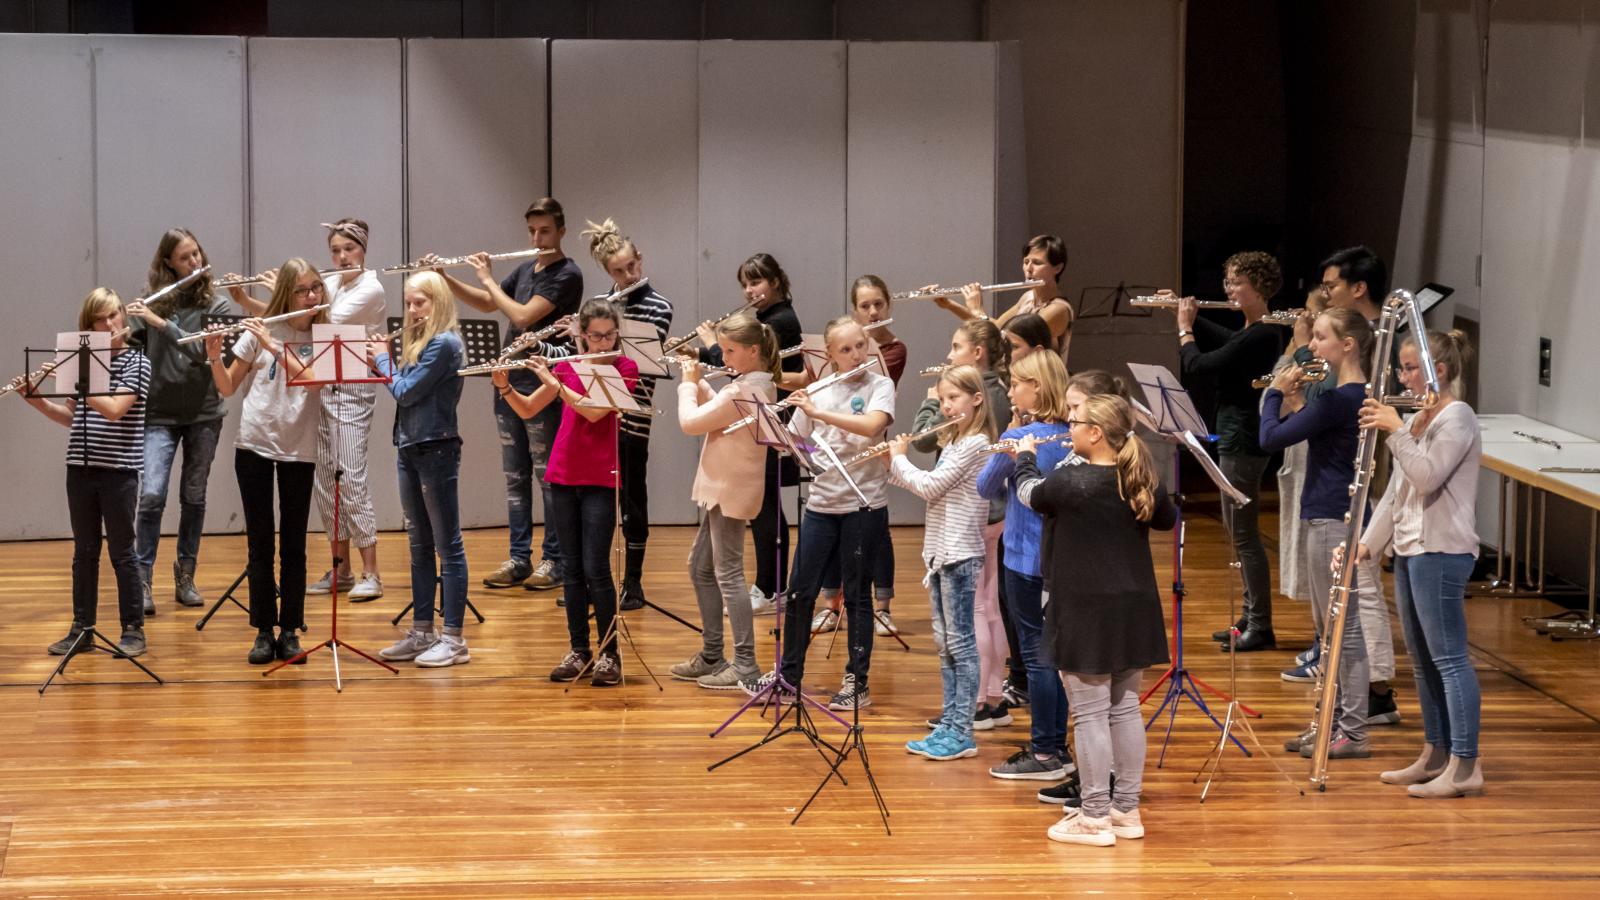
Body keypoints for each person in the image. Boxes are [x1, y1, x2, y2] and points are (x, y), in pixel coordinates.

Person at [1013, 394, 1175, 846]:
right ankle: (1125, 810)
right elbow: (1166, 518)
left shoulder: (1071, 481)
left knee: (1088, 716)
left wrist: (1024, 456)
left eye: (1075, 421)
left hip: (1084, 609)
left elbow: (1030, 494)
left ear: (1096, 433)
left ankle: (1094, 817)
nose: (1069, 427)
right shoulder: (1139, 477)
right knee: (1124, 709)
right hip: (1134, 606)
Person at [227, 219, 388, 602]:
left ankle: (372, 572)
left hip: (350, 387)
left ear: (364, 249)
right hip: (320, 384)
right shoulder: (332, 283)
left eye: (349, 248)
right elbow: (294, 318)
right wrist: (250, 301)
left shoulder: (370, 288)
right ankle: (341, 570)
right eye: (335, 250)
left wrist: (277, 296)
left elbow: (316, 324)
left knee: (350, 477)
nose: (342, 257)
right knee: (326, 482)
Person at [1357, 329, 1484, 798]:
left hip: (1443, 551)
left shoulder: (1457, 417)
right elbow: (1398, 492)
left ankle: (1465, 765)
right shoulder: (1415, 420)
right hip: (1412, 550)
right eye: (1402, 367)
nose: (1402, 377)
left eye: (1410, 368)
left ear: (1438, 371)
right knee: (1423, 661)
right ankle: (1436, 753)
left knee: (1449, 659)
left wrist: (1395, 431)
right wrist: (1367, 545)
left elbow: (1428, 477)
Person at [435, 198, 583, 592]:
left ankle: (555, 559)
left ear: (561, 230)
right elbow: (488, 304)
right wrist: (445, 278)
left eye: (545, 231)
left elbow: (521, 316)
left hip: (542, 384)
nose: (536, 238)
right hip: (509, 382)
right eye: (532, 231)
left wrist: (486, 277)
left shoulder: (568, 274)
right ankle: (519, 558)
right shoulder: (525, 270)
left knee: (546, 476)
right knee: (515, 477)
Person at [755, 317, 895, 711]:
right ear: (829, 354)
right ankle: (788, 675)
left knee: (857, 595)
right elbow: (797, 443)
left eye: (860, 346)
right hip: (822, 504)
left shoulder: (879, 386)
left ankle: (857, 682)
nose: (856, 355)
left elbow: (871, 426)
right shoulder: (817, 389)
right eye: (846, 350)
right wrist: (773, 430)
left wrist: (818, 412)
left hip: (863, 505)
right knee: (800, 591)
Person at [1259, 308, 1380, 761]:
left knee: (1342, 630)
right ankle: (1331, 723)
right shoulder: (1346, 398)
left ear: (1348, 345)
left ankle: (1353, 731)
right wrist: (1296, 404)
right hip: (1331, 513)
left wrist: (1274, 394)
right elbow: (1321, 437)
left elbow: (1270, 439)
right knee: (1330, 631)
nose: (1311, 345)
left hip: (1333, 518)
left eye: (1321, 337)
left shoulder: (1340, 399)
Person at [502, 299, 639, 688]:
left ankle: (610, 654)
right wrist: (504, 385)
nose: (603, 343)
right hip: (563, 474)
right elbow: (528, 409)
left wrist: (554, 382)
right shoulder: (567, 366)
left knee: (597, 568)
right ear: (582, 335)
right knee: (573, 569)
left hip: (601, 477)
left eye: (609, 336)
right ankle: (579, 650)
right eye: (596, 336)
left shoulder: (624, 368)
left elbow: (593, 411)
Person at [204, 258, 328, 665]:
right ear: (286, 294)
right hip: (254, 444)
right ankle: (262, 629)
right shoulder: (260, 330)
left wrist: (274, 345)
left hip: (299, 448)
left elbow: (314, 381)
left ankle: (290, 629)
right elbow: (227, 387)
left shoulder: (326, 336)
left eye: (315, 288)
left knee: (294, 545)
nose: (311, 296)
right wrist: (213, 356)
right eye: (302, 290)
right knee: (260, 544)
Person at [1165, 251, 1284, 651]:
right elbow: (1231, 341)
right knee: (1239, 532)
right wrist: (1186, 311)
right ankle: (1250, 617)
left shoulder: (1265, 333)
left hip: (1244, 440)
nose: (1228, 289)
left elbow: (1200, 365)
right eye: (1227, 281)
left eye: (1236, 282)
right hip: (1236, 435)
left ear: (1259, 287)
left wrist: (1185, 329)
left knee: (1244, 535)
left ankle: (1260, 625)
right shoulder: (1253, 330)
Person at [29, 289, 151, 658]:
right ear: (89, 326)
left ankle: (133, 630)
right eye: (101, 318)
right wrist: (36, 398)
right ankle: (82, 629)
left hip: (119, 471)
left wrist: (79, 381)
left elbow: (114, 410)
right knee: (83, 552)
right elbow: (72, 417)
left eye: (114, 315)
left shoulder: (137, 362)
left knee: (122, 552)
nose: (110, 323)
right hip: (79, 468)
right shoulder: (84, 363)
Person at [910, 318, 1023, 705]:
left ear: (977, 353)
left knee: (974, 612)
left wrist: (932, 399)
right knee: (990, 609)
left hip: (973, 514)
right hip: (996, 511)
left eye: (956, 347)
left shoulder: (971, 398)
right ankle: (993, 696)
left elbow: (923, 441)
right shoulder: (1001, 389)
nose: (949, 354)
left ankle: (974, 704)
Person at [668, 314, 781, 691]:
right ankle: (712, 654)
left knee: (728, 574)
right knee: (700, 567)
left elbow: (690, 423)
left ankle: (745, 663)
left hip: (731, 489)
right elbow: (718, 407)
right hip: (722, 486)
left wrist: (687, 384)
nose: (723, 357)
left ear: (753, 350)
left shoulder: (745, 390)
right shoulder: (750, 384)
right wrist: (697, 376)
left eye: (730, 351)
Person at [892, 365, 996, 761]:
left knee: (961, 645)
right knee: (945, 645)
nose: (946, 406)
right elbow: (932, 490)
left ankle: (962, 731)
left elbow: (931, 485)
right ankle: (950, 723)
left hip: (960, 553)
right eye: (942, 399)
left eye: (954, 398)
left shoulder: (977, 444)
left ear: (977, 399)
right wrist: (888, 466)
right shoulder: (954, 440)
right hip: (940, 552)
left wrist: (899, 459)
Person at [979, 351, 1075, 778]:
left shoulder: (1024, 437)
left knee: (1037, 656)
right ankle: (1058, 747)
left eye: (1017, 383)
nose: (1011, 391)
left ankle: (1044, 753)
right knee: (1054, 654)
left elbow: (985, 486)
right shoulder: (1073, 434)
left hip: (1024, 559)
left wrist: (1009, 437)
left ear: (1037, 388)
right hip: (1063, 559)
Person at [126, 227, 230, 616]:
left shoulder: (217, 305)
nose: (194, 262)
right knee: (152, 495)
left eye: (196, 254)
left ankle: (186, 575)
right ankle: (142, 579)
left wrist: (160, 323)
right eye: (185, 257)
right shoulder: (152, 301)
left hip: (204, 412)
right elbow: (131, 349)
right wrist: (123, 330)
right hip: (159, 413)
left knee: (194, 497)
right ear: (168, 262)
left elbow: (202, 351)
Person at [371, 272, 471, 668]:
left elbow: (406, 392)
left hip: (436, 448)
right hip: (410, 446)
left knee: (448, 545)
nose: (412, 310)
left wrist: (382, 359)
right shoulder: (421, 342)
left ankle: (455, 639)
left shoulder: (445, 344)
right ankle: (423, 631)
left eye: (420, 303)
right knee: (418, 545)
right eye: (409, 303)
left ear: (438, 302)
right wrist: (384, 362)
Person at [696, 253, 805, 613]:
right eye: (744, 283)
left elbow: (747, 369)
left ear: (775, 281)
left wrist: (713, 345)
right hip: (766, 415)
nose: (748, 290)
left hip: (772, 418)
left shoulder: (781, 321)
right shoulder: (767, 317)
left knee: (764, 507)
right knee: (765, 505)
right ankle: (771, 587)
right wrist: (701, 351)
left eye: (756, 281)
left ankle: (771, 589)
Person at [580, 219, 673, 612]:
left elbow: (638, 362)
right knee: (598, 500)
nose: (629, 275)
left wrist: (604, 341)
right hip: (598, 413)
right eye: (619, 271)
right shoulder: (598, 306)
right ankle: (596, 580)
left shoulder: (659, 306)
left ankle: (633, 581)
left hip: (633, 414)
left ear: (640, 259)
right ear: (608, 272)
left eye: (631, 266)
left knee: (633, 498)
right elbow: (590, 359)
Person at [813, 275, 903, 636]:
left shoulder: (892, 350)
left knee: (875, 533)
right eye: (865, 306)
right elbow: (818, 383)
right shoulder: (843, 342)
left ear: (888, 304)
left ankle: (881, 607)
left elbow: (873, 406)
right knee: (834, 528)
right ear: (855, 310)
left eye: (878, 304)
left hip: (871, 446)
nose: (873, 311)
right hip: (835, 450)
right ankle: (830, 604)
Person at [938, 235, 1074, 360]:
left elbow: (1004, 339)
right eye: (1026, 261)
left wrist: (977, 311)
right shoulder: (1028, 297)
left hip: (1040, 378)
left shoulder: (1058, 309)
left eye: (1037, 263)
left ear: (1057, 268)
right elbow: (997, 326)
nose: (1028, 268)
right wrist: (949, 305)